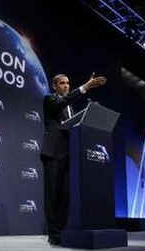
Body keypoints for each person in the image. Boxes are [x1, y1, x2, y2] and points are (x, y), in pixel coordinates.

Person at [40, 73, 106, 245]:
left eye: (68, 83)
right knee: (53, 195)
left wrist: (90, 113)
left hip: (69, 155)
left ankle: (62, 232)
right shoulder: (50, 100)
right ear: (54, 86)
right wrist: (85, 87)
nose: (66, 86)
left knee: (65, 197)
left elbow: (75, 125)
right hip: (53, 153)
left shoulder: (70, 109)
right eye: (62, 83)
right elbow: (63, 101)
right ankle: (53, 235)